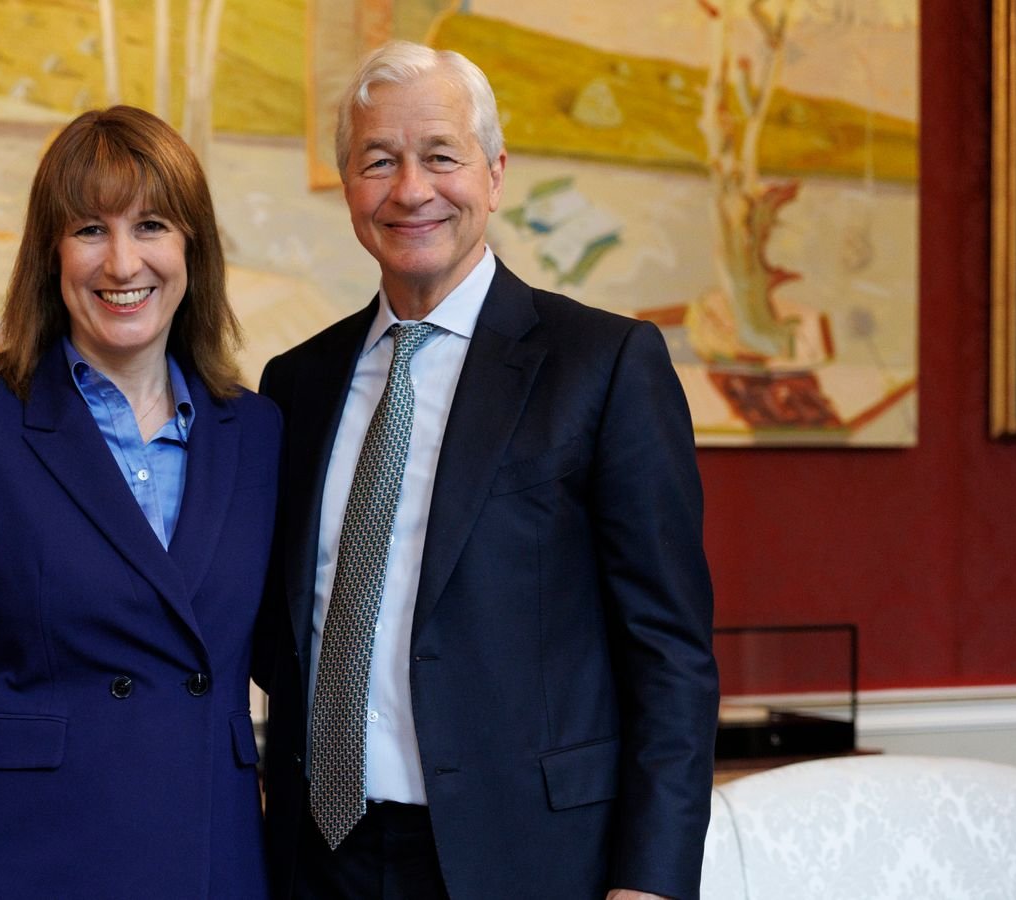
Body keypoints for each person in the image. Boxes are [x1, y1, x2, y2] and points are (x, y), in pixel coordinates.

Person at [255, 42, 718, 900]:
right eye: (378, 162)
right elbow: (279, 625)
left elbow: (670, 654)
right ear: (349, 188)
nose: (411, 190)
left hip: (528, 860)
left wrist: (650, 882)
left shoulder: (604, 364)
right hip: (316, 859)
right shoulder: (297, 385)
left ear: (495, 175)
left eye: (441, 156)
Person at [0, 105, 280, 899]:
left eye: (151, 225)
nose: (121, 262)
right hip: (14, 863)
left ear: (192, 249)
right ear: (50, 254)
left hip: (209, 861)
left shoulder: (259, 433)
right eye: (88, 230)